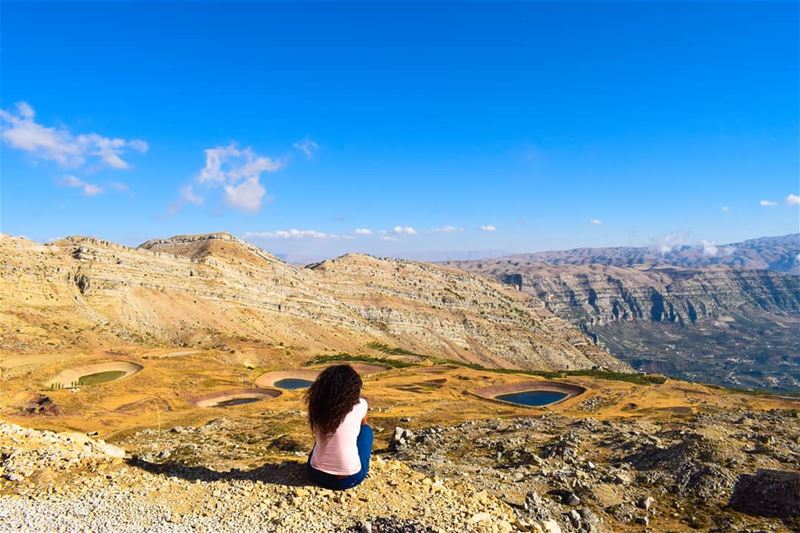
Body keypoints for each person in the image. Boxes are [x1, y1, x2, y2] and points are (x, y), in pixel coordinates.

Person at [305, 364, 373, 490]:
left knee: (325, 434)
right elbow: (363, 423)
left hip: (315, 474)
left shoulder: (316, 405)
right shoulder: (360, 405)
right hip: (349, 479)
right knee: (366, 431)